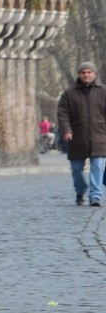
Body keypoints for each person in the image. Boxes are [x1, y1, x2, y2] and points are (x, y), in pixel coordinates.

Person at [57, 63, 106, 207]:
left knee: (97, 167)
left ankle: (95, 195)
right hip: (76, 137)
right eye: (83, 72)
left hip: (99, 136)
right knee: (76, 170)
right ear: (79, 74)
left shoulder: (103, 91)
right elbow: (62, 113)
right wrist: (66, 129)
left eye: (89, 72)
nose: (86, 75)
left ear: (94, 74)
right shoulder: (69, 93)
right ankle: (80, 190)